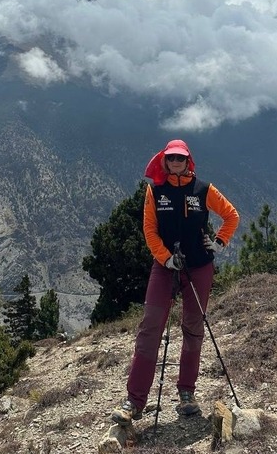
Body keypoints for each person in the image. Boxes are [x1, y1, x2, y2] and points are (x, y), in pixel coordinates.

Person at [111, 139, 240, 425]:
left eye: (180, 158)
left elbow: (231, 215)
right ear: (164, 161)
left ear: (188, 160)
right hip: (164, 268)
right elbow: (149, 229)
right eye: (171, 158)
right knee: (150, 328)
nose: (175, 162)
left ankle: (186, 394)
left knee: (193, 329)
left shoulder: (204, 189)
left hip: (199, 267)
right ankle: (134, 401)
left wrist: (219, 242)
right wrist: (166, 258)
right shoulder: (155, 191)